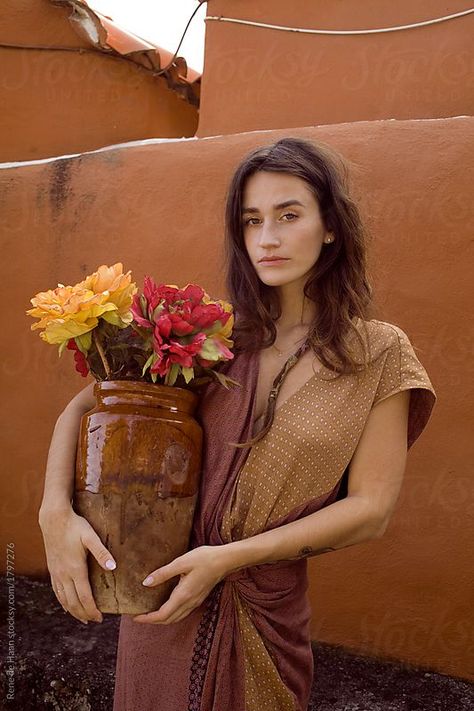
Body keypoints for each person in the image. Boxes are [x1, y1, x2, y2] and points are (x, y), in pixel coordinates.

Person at [38, 137, 437, 711]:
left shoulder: (378, 354)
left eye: (289, 215)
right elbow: (88, 406)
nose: (267, 238)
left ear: (331, 227)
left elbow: (370, 511)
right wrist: (55, 513)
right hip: (163, 594)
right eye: (252, 221)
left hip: (264, 611)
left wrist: (227, 559)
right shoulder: (213, 340)